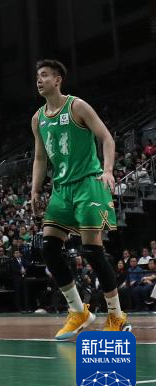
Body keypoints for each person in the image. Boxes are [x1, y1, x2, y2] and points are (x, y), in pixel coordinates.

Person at [30, 59, 130, 337]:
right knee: (48, 249)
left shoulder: (77, 106)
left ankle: (116, 315)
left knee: (92, 250)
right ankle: (78, 311)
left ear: (58, 80)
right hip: (61, 189)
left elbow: (107, 138)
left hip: (88, 183)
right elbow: (40, 158)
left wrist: (107, 170)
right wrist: (35, 189)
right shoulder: (38, 118)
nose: (39, 80)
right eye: (37, 76)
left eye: (44, 75)